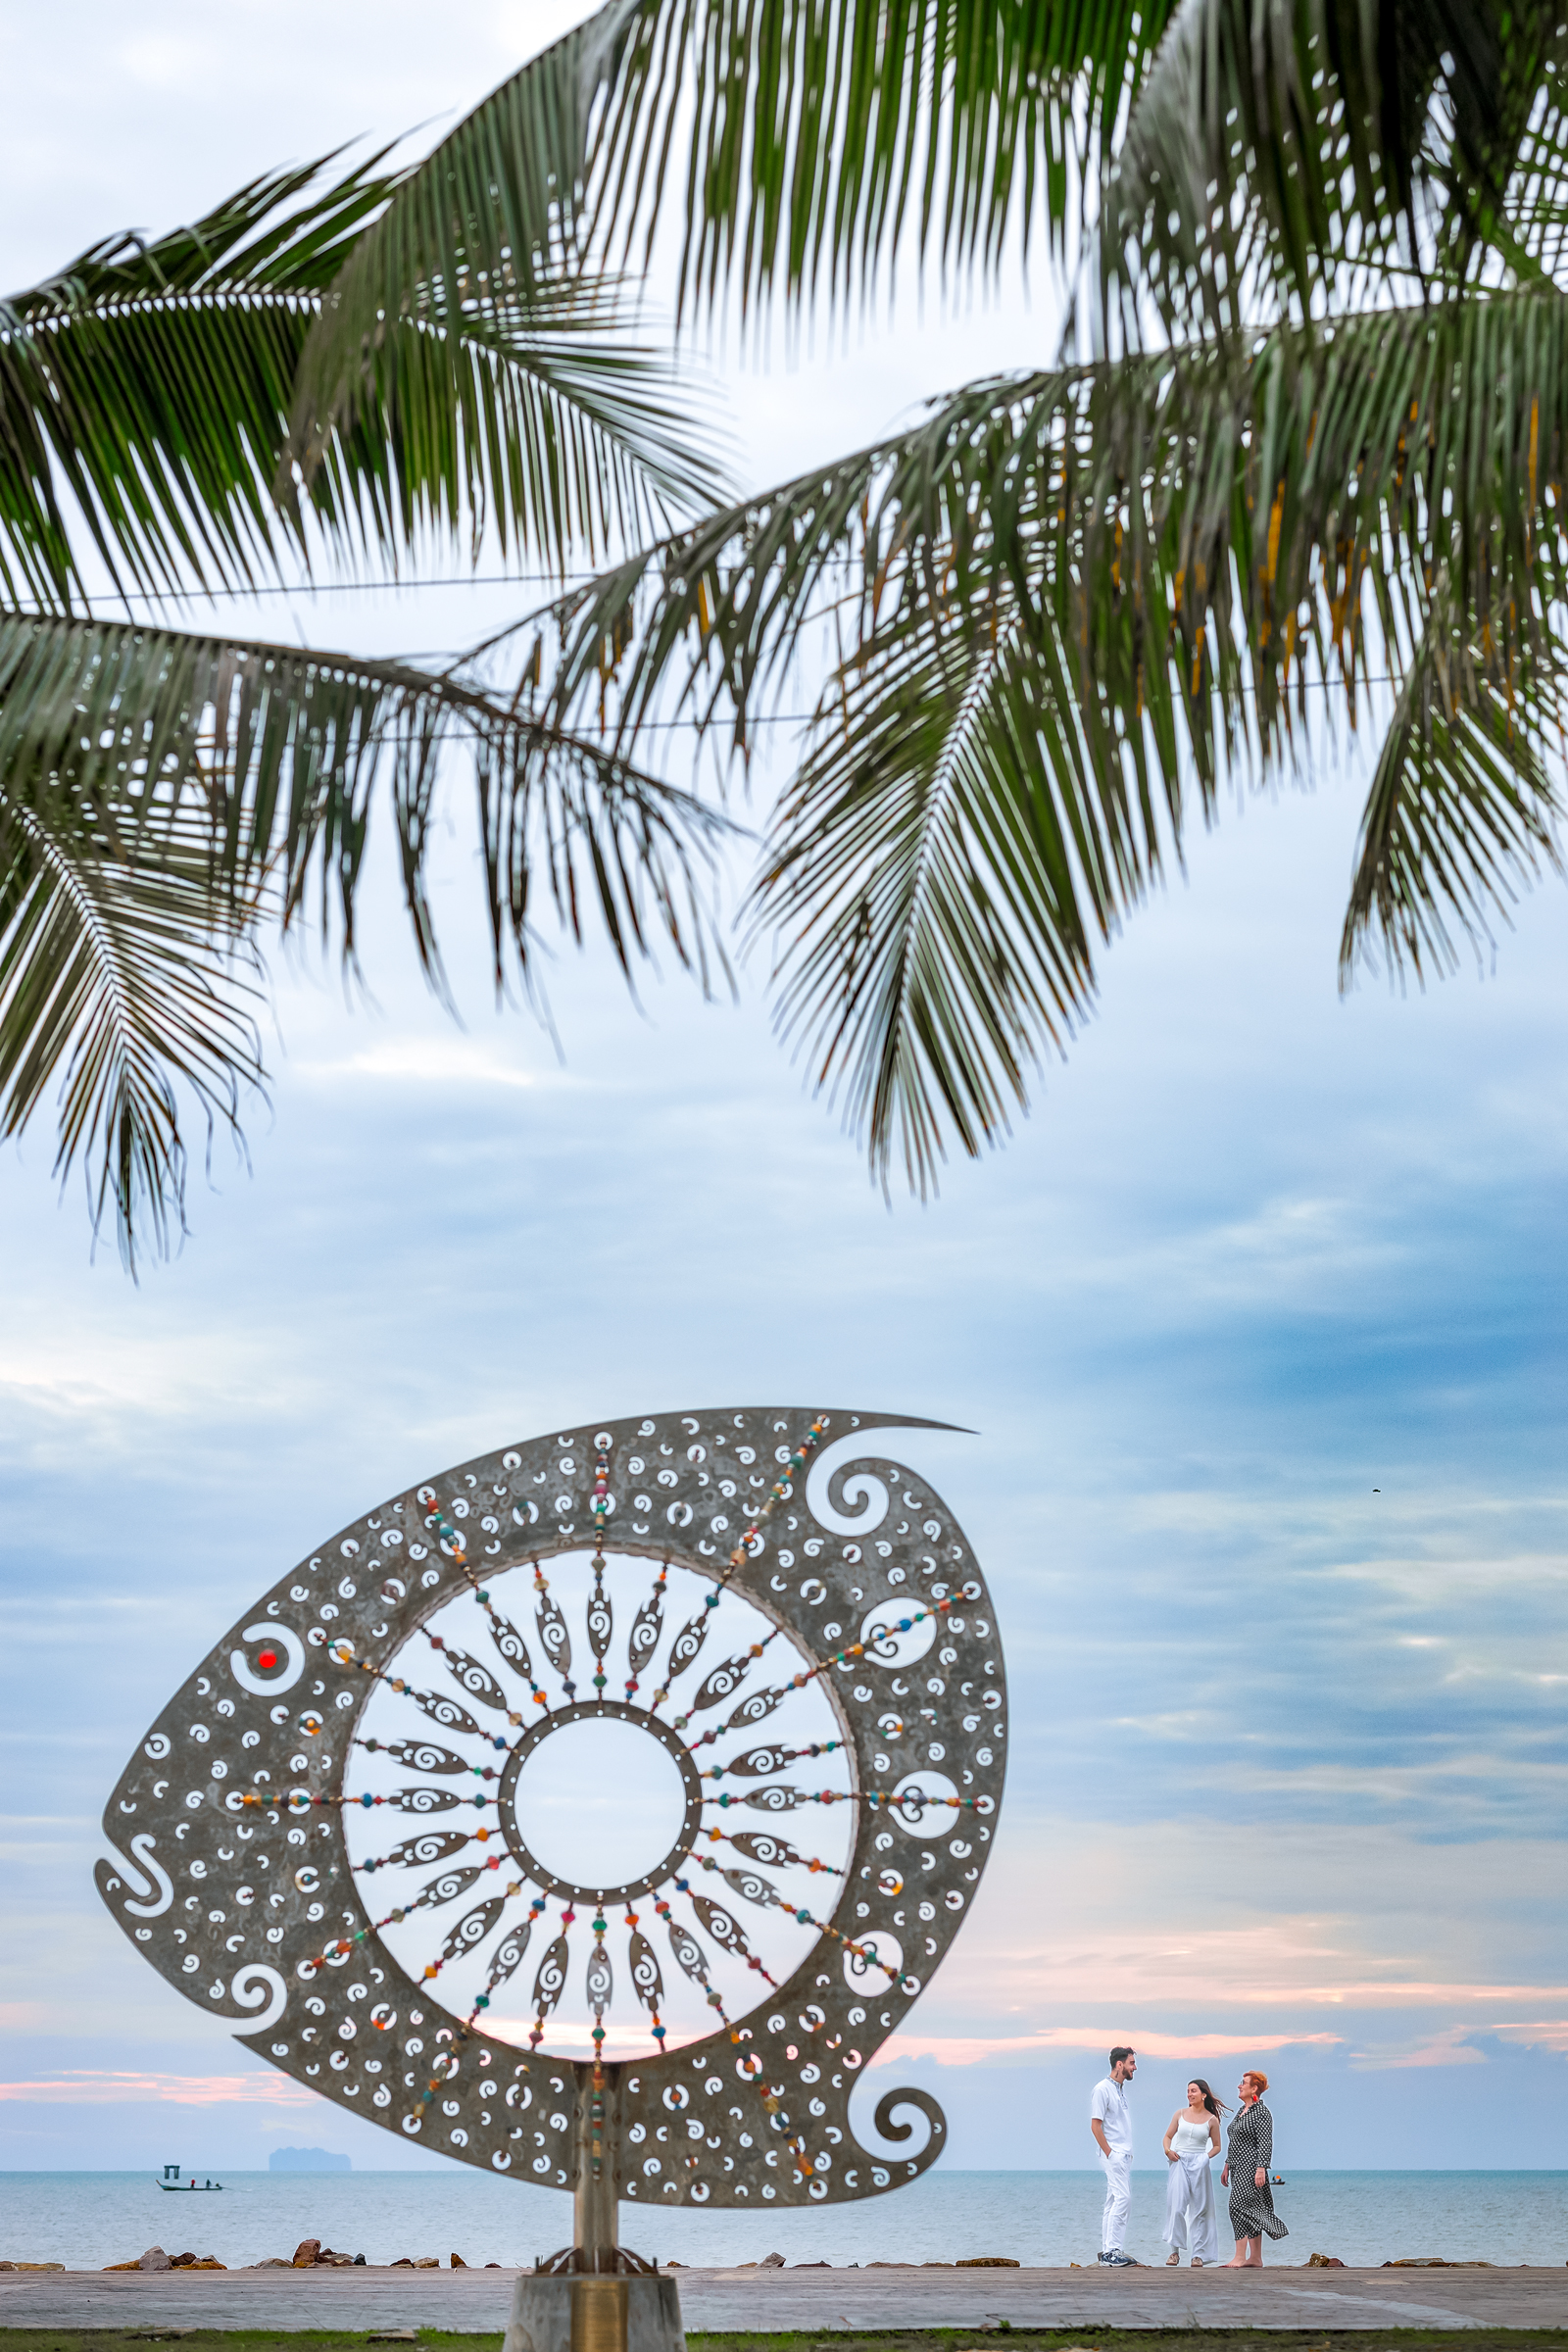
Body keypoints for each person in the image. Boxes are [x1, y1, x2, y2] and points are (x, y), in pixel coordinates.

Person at [1221, 2070, 1288, 2266]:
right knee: (1252, 2207)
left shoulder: (1261, 2112)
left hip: (1251, 2169)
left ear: (1254, 2088)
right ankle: (1256, 2258)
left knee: (1237, 2206)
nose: (1239, 2086)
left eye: (1243, 2083)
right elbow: (1235, 2140)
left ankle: (1240, 2257)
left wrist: (1261, 2169)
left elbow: (1265, 2142)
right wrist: (1227, 2164)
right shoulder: (1243, 2112)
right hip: (1237, 2168)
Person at [1161, 2078, 1224, 2267]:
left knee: (1199, 2210)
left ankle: (1198, 2255)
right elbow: (1167, 2136)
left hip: (1199, 2162)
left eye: (1193, 2091)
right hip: (1179, 2160)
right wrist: (1168, 2150)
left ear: (1203, 2094)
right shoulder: (1179, 2114)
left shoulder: (1212, 2120)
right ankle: (1174, 2252)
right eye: (1188, 2091)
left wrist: (1205, 2157)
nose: (1189, 2094)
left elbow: (1218, 2146)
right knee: (1177, 2206)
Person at [1089, 2045, 1137, 2266]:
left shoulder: (1119, 2089)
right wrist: (1111, 2153)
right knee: (1123, 2199)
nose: (1134, 2068)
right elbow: (1095, 2125)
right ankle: (1113, 2250)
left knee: (1112, 2201)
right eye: (1131, 2063)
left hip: (1123, 2154)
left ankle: (1108, 2251)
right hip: (1114, 2154)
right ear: (1120, 2065)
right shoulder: (1102, 2089)